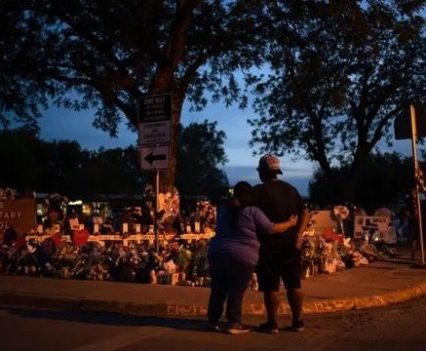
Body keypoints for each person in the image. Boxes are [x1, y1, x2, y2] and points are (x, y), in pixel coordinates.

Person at [207, 181, 298, 335]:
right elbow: (271, 228)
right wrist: (290, 223)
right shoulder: (252, 211)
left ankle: (212, 321)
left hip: (218, 252)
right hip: (243, 256)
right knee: (236, 291)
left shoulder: (224, 209)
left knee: (218, 289)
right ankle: (234, 323)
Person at [253, 154, 309, 334]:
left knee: (271, 285)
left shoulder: (258, 192)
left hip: (268, 245)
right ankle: (298, 320)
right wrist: (299, 234)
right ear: (277, 171)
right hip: (291, 245)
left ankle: (272, 323)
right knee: (294, 283)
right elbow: (304, 212)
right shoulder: (291, 189)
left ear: (262, 171)